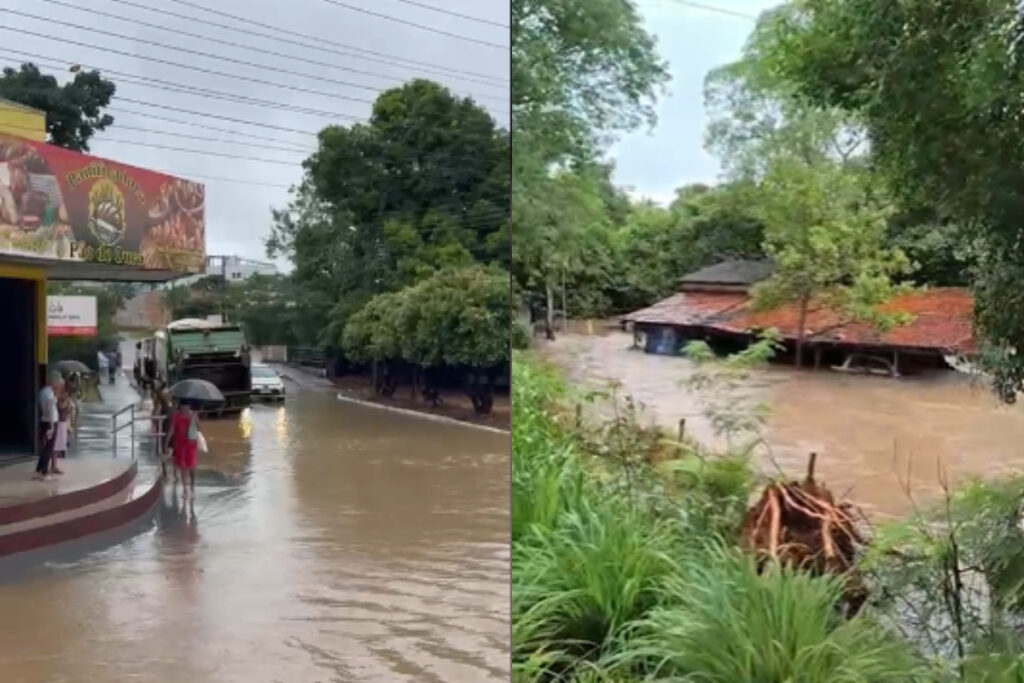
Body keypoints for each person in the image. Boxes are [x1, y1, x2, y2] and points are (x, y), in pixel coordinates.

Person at [165, 400, 199, 495]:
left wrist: (194, 419)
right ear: (180, 407)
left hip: (191, 445)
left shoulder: (193, 415)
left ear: (189, 407)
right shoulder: (176, 416)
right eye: (182, 407)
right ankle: (185, 489)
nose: (184, 409)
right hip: (180, 445)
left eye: (186, 407)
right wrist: (166, 442)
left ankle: (192, 485)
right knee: (183, 467)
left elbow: (199, 429)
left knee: (192, 467)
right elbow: (171, 430)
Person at [34, 371, 61, 480]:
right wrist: (52, 426)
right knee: (49, 447)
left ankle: (40, 467)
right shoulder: (49, 393)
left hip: (46, 420)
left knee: (47, 446)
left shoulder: (43, 392)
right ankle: (44, 471)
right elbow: (50, 409)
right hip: (50, 422)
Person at [53, 385, 72, 463]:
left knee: (62, 442)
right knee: (58, 442)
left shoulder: (66, 400)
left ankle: (60, 456)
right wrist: (67, 401)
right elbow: (61, 406)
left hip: (64, 422)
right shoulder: (59, 399)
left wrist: (69, 425)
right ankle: (56, 459)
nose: (66, 395)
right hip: (59, 422)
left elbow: (68, 413)